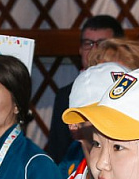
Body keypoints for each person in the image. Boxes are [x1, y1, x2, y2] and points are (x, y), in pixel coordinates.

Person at [46, 15, 125, 164]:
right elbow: (57, 150)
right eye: (88, 43)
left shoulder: (129, 91)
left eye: (102, 44)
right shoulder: (65, 95)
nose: (94, 50)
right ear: (80, 49)